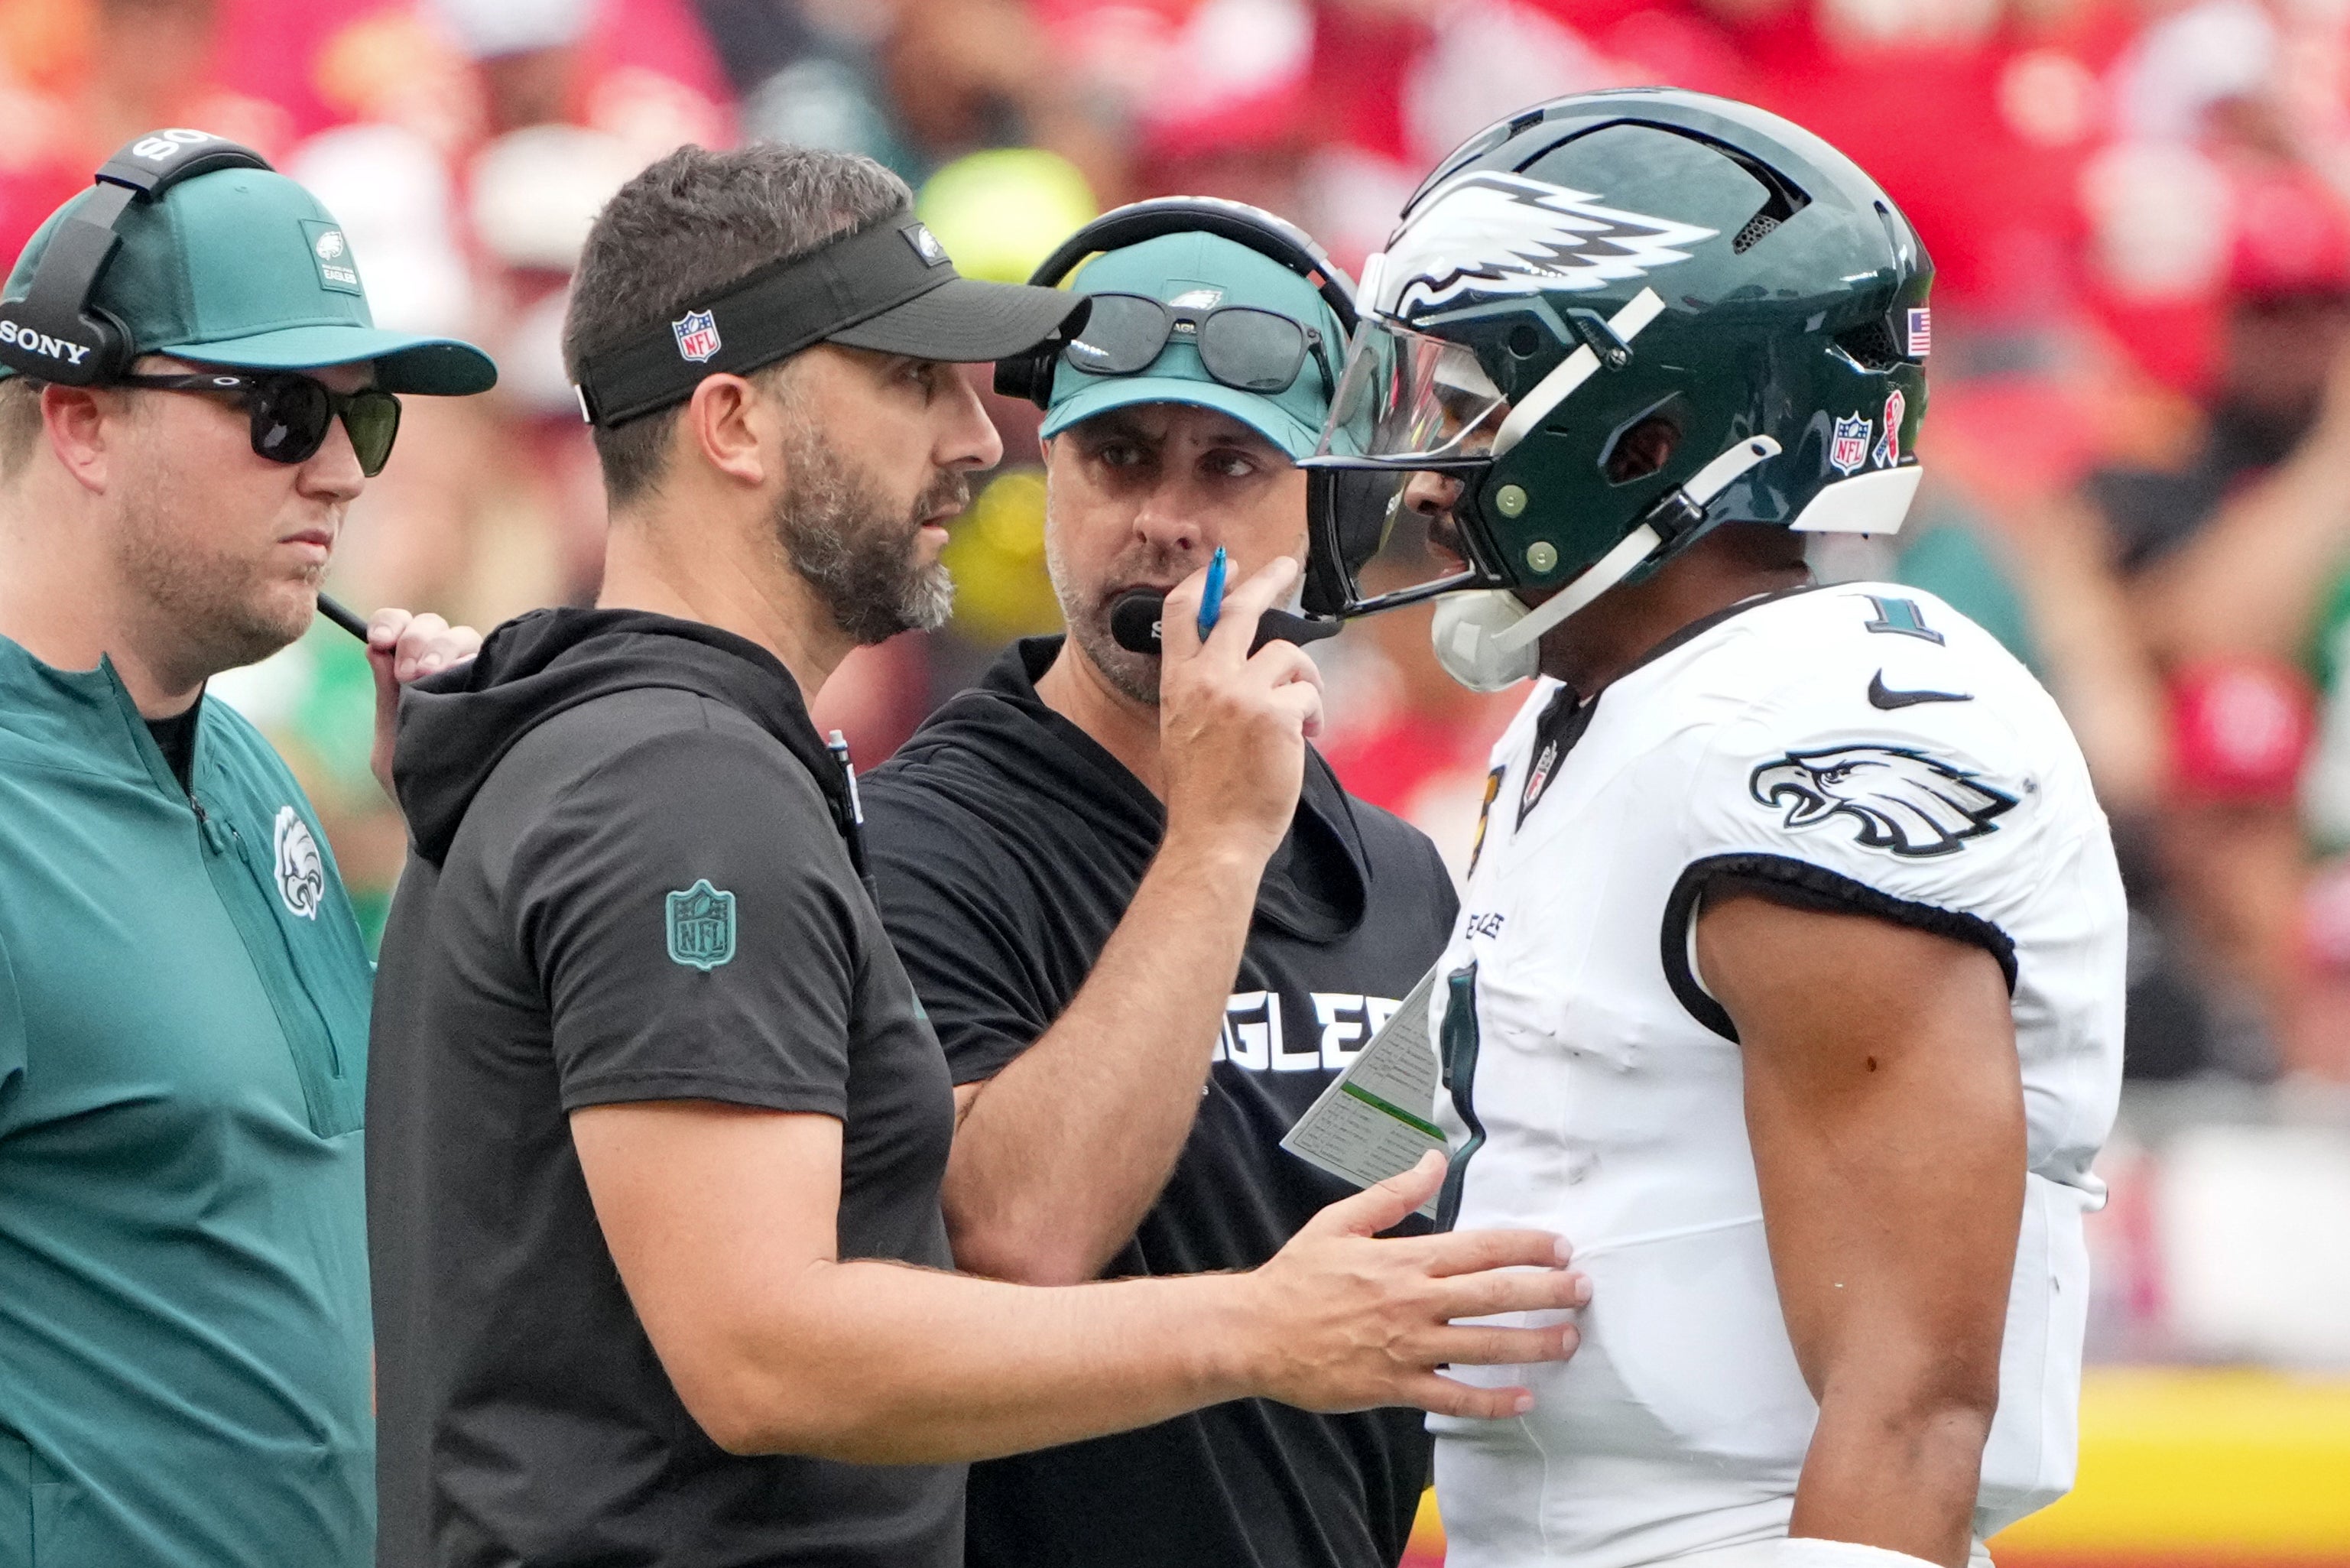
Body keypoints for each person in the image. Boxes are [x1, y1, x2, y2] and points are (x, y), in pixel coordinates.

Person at [366, 141, 1586, 1568]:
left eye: (1234, 461)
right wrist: (1259, 1322)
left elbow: (1367, 1241)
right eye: (911, 382)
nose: (970, 440)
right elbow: (827, 1321)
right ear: (734, 425)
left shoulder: (695, 770)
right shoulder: (721, 799)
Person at [1302, 91, 2125, 1568]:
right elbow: (1425, 1157)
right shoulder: (1598, 716)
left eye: (1474, 408)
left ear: (1647, 428)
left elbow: (1911, 1400)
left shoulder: (1805, 731)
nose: (1427, 473)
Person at [857, 203, 1464, 1568]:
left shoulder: (1401, 885)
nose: (1164, 521)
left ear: (1334, 502)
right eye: (1118, 457)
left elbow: (1379, 1277)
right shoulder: (916, 843)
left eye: (1230, 466)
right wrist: (1213, 839)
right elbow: (1015, 1235)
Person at [0, 131, 494, 1566]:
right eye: (284, 410)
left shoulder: (252, 768)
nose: (343, 472)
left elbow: (342, 1204)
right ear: (83, 422)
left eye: (366, 418)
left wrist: (448, 847)